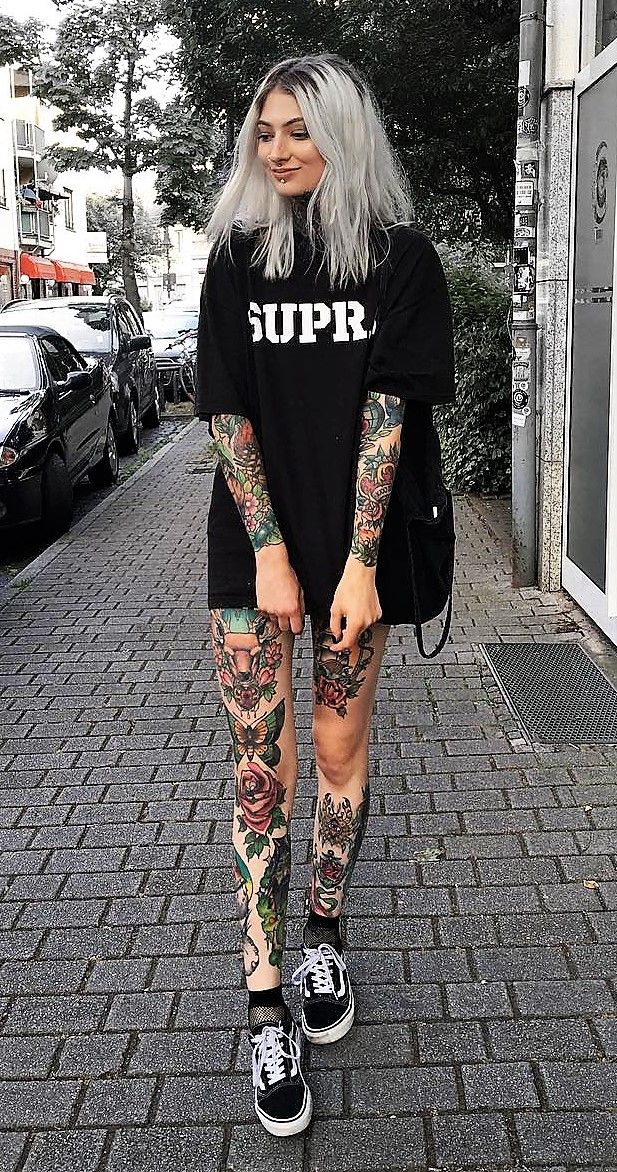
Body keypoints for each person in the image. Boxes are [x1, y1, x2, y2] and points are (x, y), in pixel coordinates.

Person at [195, 52, 455, 1137]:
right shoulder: (235, 257)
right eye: (264, 132)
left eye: (298, 128)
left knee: (339, 753)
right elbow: (224, 409)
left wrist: (354, 563)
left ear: (341, 134)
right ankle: (265, 1005)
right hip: (252, 544)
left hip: (360, 547)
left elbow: (388, 420)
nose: (278, 149)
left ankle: (323, 937)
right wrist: (268, 552)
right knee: (262, 773)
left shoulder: (399, 260)